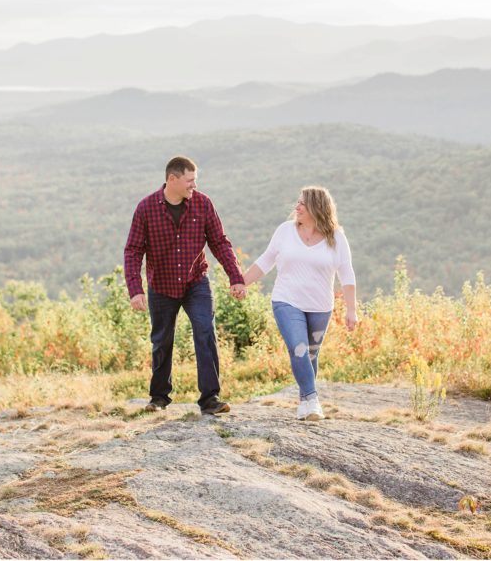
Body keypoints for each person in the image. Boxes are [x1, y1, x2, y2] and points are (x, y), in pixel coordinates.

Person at [124, 156, 246, 415]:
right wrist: (135, 289)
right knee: (162, 341)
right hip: (162, 285)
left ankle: (210, 399)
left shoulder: (203, 204)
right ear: (172, 180)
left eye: (195, 180)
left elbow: (219, 242)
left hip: (195, 281)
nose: (194, 185)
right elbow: (133, 251)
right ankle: (158, 398)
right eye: (190, 180)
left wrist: (235, 276)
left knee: (205, 331)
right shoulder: (146, 208)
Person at [242, 186, 358, 420]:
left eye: (302, 203)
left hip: (320, 306)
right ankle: (313, 400)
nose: (297, 207)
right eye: (297, 202)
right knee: (298, 347)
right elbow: (266, 260)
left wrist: (352, 309)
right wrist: (241, 282)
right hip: (286, 300)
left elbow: (347, 274)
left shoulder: (336, 238)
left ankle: (305, 402)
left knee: (310, 355)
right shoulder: (285, 231)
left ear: (317, 207)